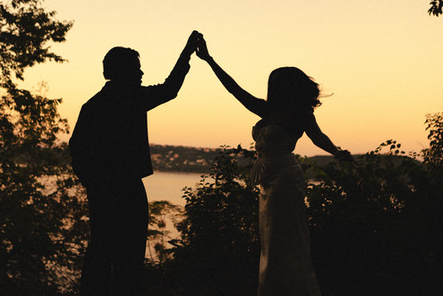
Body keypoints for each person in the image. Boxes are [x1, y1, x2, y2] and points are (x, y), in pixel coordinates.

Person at [196, 35, 353, 296]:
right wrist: (209, 60)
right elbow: (233, 89)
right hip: (269, 181)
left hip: (286, 179)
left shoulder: (300, 113)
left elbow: (318, 138)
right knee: (272, 241)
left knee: (287, 239)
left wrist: (337, 151)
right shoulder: (266, 110)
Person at [69, 31, 201, 295]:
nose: (141, 74)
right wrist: (96, 185)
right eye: (137, 70)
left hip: (122, 189)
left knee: (119, 254)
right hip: (113, 191)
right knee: (108, 254)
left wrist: (187, 53)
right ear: (121, 72)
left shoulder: (125, 100)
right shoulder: (103, 105)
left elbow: (170, 89)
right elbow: (78, 151)